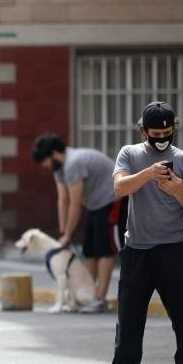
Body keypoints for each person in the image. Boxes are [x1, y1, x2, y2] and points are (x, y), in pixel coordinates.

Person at [97, 101, 183, 364]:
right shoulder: (130, 154)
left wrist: (176, 191)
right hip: (137, 250)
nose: (162, 138)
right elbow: (119, 188)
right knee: (129, 321)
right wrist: (148, 173)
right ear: (143, 130)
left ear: (174, 128)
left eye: (167, 132)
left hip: (173, 249)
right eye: (155, 133)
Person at [32, 134, 128, 313]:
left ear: (54, 154)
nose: (45, 166)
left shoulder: (73, 163)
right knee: (89, 251)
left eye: (45, 161)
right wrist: (63, 233)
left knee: (105, 251)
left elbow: (75, 205)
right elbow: (63, 199)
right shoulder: (58, 169)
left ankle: (99, 299)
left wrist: (68, 234)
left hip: (112, 200)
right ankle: (87, 295)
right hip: (95, 205)